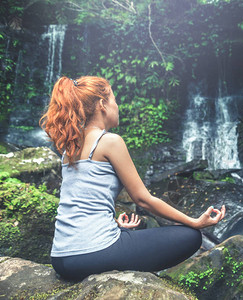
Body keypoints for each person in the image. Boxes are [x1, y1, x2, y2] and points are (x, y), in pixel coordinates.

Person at [40, 76, 226, 281]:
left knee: (131, 237)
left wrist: (111, 224)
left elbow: (81, 201)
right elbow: (142, 199)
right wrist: (195, 222)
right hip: (93, 253)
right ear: (102, 104)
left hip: (61, 258)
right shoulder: (110, 141)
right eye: (114, 100)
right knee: (190, 236)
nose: (117, 106)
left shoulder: (70, 146)